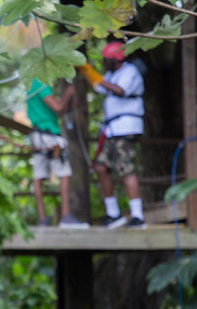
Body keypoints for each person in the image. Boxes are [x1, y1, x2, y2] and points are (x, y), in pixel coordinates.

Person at [77, 40, 146, 229]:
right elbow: (99, 87)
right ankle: (113, 214)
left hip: (126, 128)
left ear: (116, 60)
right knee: (100, 167)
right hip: (111, 130)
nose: (103, 62)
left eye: (106, 59)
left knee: (126, 169)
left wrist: (96, 77)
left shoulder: (130, 72)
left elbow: (119, 90)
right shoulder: (111, 73)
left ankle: (137, 216)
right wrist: (86, 73)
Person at [26, 78, 88, 229]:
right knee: (64, 173)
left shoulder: (31, 84)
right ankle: (65, 216)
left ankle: (42, 220)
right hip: (48, 136)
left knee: (38, 176)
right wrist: (68, 93)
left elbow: (55, 110)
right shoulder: (40, 83)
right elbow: (58, 107)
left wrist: (69, 104)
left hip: (38, 136)